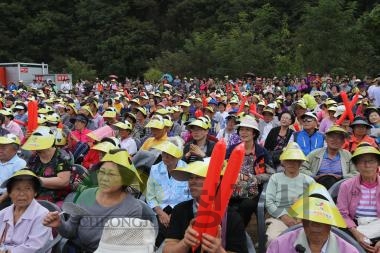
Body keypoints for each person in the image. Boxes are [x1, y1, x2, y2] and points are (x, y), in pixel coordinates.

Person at [43, 149, 144, 252]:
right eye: (102, 172)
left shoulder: (133, 208)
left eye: (112, 174)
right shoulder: (87, 194)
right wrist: (60, 224)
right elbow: (71, 231)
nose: (104, 178)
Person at [163, 160, 248, 253]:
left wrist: (218, 250)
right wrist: (185, 243)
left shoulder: (232, 217)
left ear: (216, 182)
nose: (192, 182)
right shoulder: (180, 210)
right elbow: (167, 249)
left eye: (198, 177)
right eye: (190, 178)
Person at [267, 184, 359, 253]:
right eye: (309, 218)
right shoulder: (279, 245)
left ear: (331, 223)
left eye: (322, 219)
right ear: (302, 220)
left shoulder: (348, 251)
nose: (315, 226)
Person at [228, 115, 274, 227]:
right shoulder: (232, 149)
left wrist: (255, 178)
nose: (244, 132)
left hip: (252, 190)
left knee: (247, 205)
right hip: (231, 188)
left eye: (248, 130)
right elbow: (222, 167)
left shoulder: (261, 152)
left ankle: (238, 230)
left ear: (254, 133)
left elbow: (271, 173)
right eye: (242, 130)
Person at [265, 142, 315, 245]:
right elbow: (269, 202)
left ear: (300, 163)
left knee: (309, 241)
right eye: (288, 160)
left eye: (295, 161)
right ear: (283, 162)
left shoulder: (309, 181)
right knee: (273, 240)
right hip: (279, 218)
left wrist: (302, 217)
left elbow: (315, 202)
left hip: (304, 219)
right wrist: (283, 216)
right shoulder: (275, 178)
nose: (292, 163)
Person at [146, 141, 191, 247]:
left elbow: (190, 196)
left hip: (180, 210)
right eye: (164, 153)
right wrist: (161, 213)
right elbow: (150, 195)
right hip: (160, 210)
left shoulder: (186, 169)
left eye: (169, 154)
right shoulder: (155, 169)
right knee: (158, 232)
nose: (165, 156)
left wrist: (175, 214)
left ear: (178, 156)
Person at [337, 143, 380, 252]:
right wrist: (356, 234)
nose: (367, 165)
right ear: (356, 165)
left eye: (371, 161)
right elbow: (342, 213)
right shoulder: (346, 186)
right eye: (362, 161)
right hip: (355, 227)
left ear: (378, 163)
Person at [0, 170, 52, 252]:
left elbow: (34, 247)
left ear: (35, 192)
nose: (22, 194)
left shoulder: (43, 215)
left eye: (27, 188)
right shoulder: (3, 214)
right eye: (17, 189)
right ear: (9, 193)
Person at [22, 127, 72, 206]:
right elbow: (27, 172)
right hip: (34, 193)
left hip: (56, 197)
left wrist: (37, 180)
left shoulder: (62, 157)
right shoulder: (34, 157)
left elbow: (64, 181)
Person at [0, 134, 27, 209]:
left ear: (15, 150)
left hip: (7, 198)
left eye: (3, 148)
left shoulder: (20, 164)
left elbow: (15, 186)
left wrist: (1, 198)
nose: (0, 150)